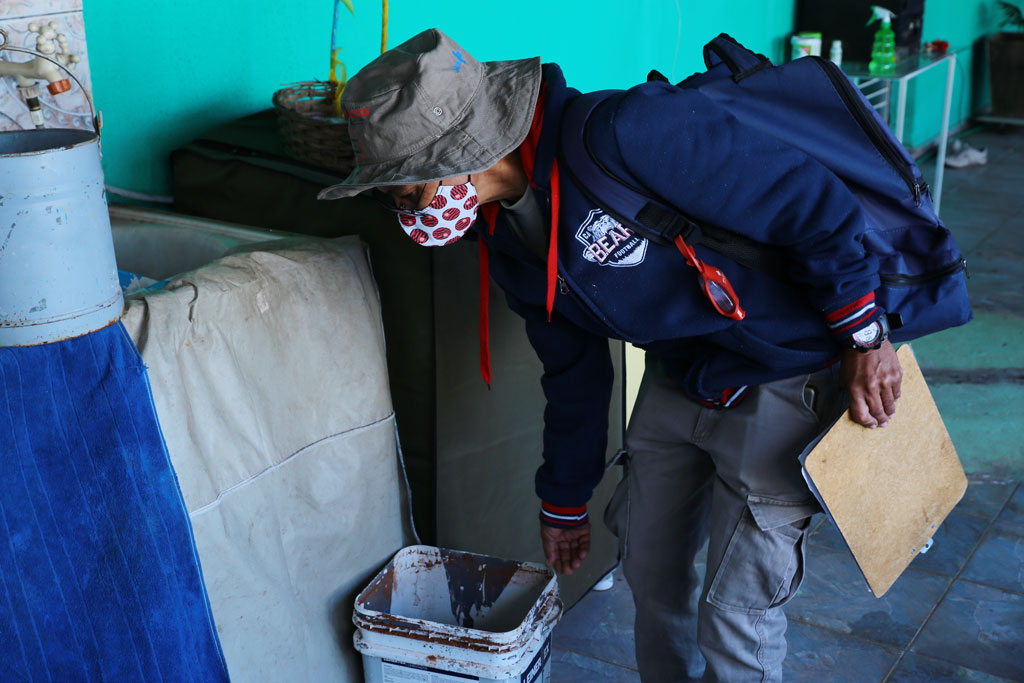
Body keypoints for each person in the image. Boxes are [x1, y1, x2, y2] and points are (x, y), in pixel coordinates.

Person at [319, 28, 903, 683]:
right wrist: (563, 498)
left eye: (402, 191)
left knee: (736, 616)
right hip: (683, 371)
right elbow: (572, 368)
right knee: (652, 583)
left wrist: (864, 336)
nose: (400, 212)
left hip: (785, 367)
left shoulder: (627, 133)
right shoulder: (507, 236)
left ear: (458, 154)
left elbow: (811, 200)